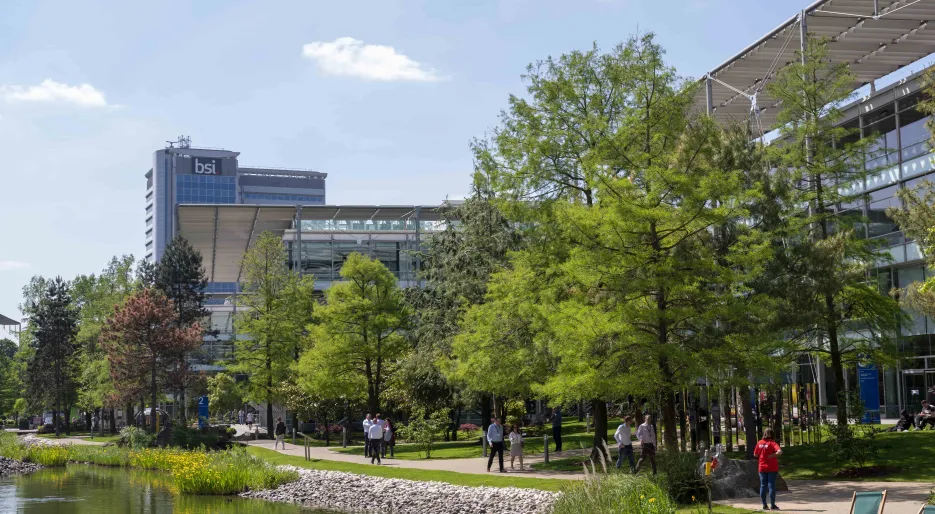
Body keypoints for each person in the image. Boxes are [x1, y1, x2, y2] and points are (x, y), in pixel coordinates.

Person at [753, 427, 782, 511]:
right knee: (771, 486)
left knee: (763, 486)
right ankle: (772, 505)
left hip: (762, 467)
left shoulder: (759, 443)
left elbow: (755, 454)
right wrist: (772, 455)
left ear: (764, 434)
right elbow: (780, 452)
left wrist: (763, 455)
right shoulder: (772, 443)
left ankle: (764, 505)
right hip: (772, 467)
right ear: (772, 434)